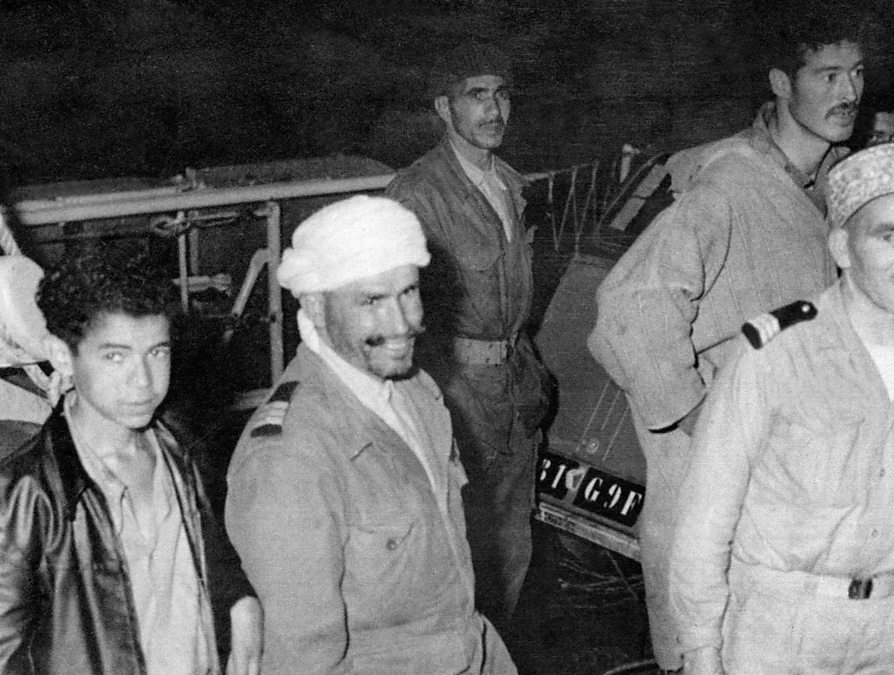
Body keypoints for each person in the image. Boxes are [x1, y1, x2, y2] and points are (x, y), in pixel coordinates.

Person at [587, 12, 870, 669]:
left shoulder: (828, 181)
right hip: (714, 503)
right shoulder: (730, 184)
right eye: (828, 75)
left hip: (787, 488)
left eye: (857, 74)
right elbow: (627, 308)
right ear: (781, 83)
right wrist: (704, 417)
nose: (849, 92)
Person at [669, 143, 894, 674]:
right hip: (776, 631)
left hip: (886, 631)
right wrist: (703, 652)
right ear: (842, 247)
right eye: (888, 236)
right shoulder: (777, 355)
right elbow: (705, 518)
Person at [225, 196, 516, 674]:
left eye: (408, 292)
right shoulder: (290, 457)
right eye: (372, 301)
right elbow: (300, 658)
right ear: (316, 306)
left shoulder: (414, 392)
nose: (401, 324)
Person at [0, 252, 262, 673]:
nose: (143, 381)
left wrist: (240, 600)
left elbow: (212, 553)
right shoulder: (22, 497)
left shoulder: (183, 449)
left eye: (157, 353)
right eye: (116, 357)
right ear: (62, 356)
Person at [384, 43, 551, 627]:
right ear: (443, 107)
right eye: (476, 95)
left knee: (511, 542)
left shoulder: (509, 184)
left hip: (514, 385)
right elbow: (395, 314)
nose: (493, 110)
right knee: (457, 547)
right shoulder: (417, 194)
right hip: (456, 392)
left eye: (501, 94)